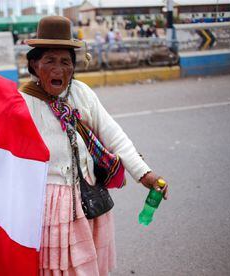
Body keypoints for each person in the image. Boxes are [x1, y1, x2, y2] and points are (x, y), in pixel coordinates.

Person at [19, 16, 168, 276]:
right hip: (48, 204)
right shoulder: (22, 102)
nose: (58, 69)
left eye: (65, 62)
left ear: (73, 67)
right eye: (49, 61)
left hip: (88, 197)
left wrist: (144, 174)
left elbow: (114, 136)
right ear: (34, 64)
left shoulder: (82, 94)